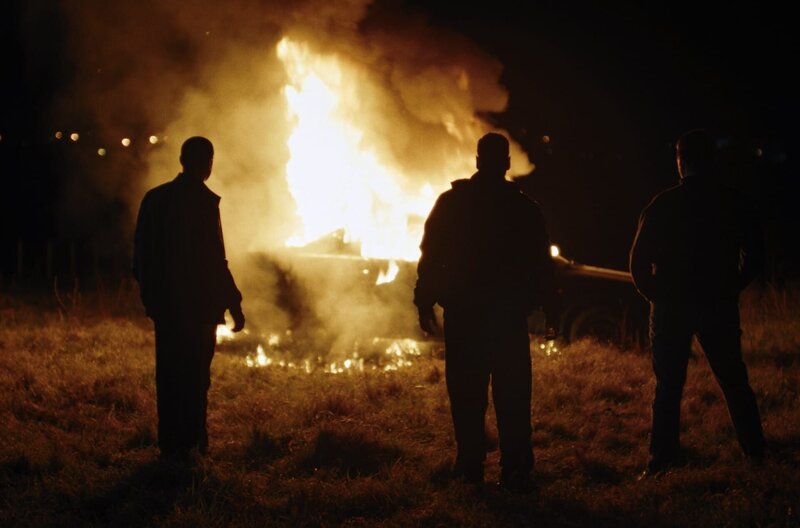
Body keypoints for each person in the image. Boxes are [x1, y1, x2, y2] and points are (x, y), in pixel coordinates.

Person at [414, 132, 559, 492]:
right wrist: (551, 309)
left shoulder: (452, 203)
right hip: (507, 319)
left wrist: (424, 303)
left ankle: (469, 467)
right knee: (512, 395)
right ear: (507, 164)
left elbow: (431, 258)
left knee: (466, 395)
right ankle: (515, 471)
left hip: (464, 317)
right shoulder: (524, 208)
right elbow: (541, 265)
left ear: (477, 161)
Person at [630, 129, 765, 477]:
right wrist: (733, 285)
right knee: (734, 379)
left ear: (680, 161)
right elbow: (755, 254)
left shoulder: (663, 204)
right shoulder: (734, 202)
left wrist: (656, 295)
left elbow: (638, 261)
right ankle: (755, 452)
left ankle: (662, 461)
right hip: (717, 302)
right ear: (712, 161)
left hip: (671, 306)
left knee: (668, 386)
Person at [133, 136, 245, 460]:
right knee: (195, 379)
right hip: (197, 311)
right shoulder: (203, 203)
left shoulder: (154, 199)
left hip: (166, 310)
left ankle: (169, 444)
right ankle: (193, 445)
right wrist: (233, 302)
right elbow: (214, 260)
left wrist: (151, 299)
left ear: (182, 160)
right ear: (208, 163)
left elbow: (140, 256)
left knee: (168, 375)